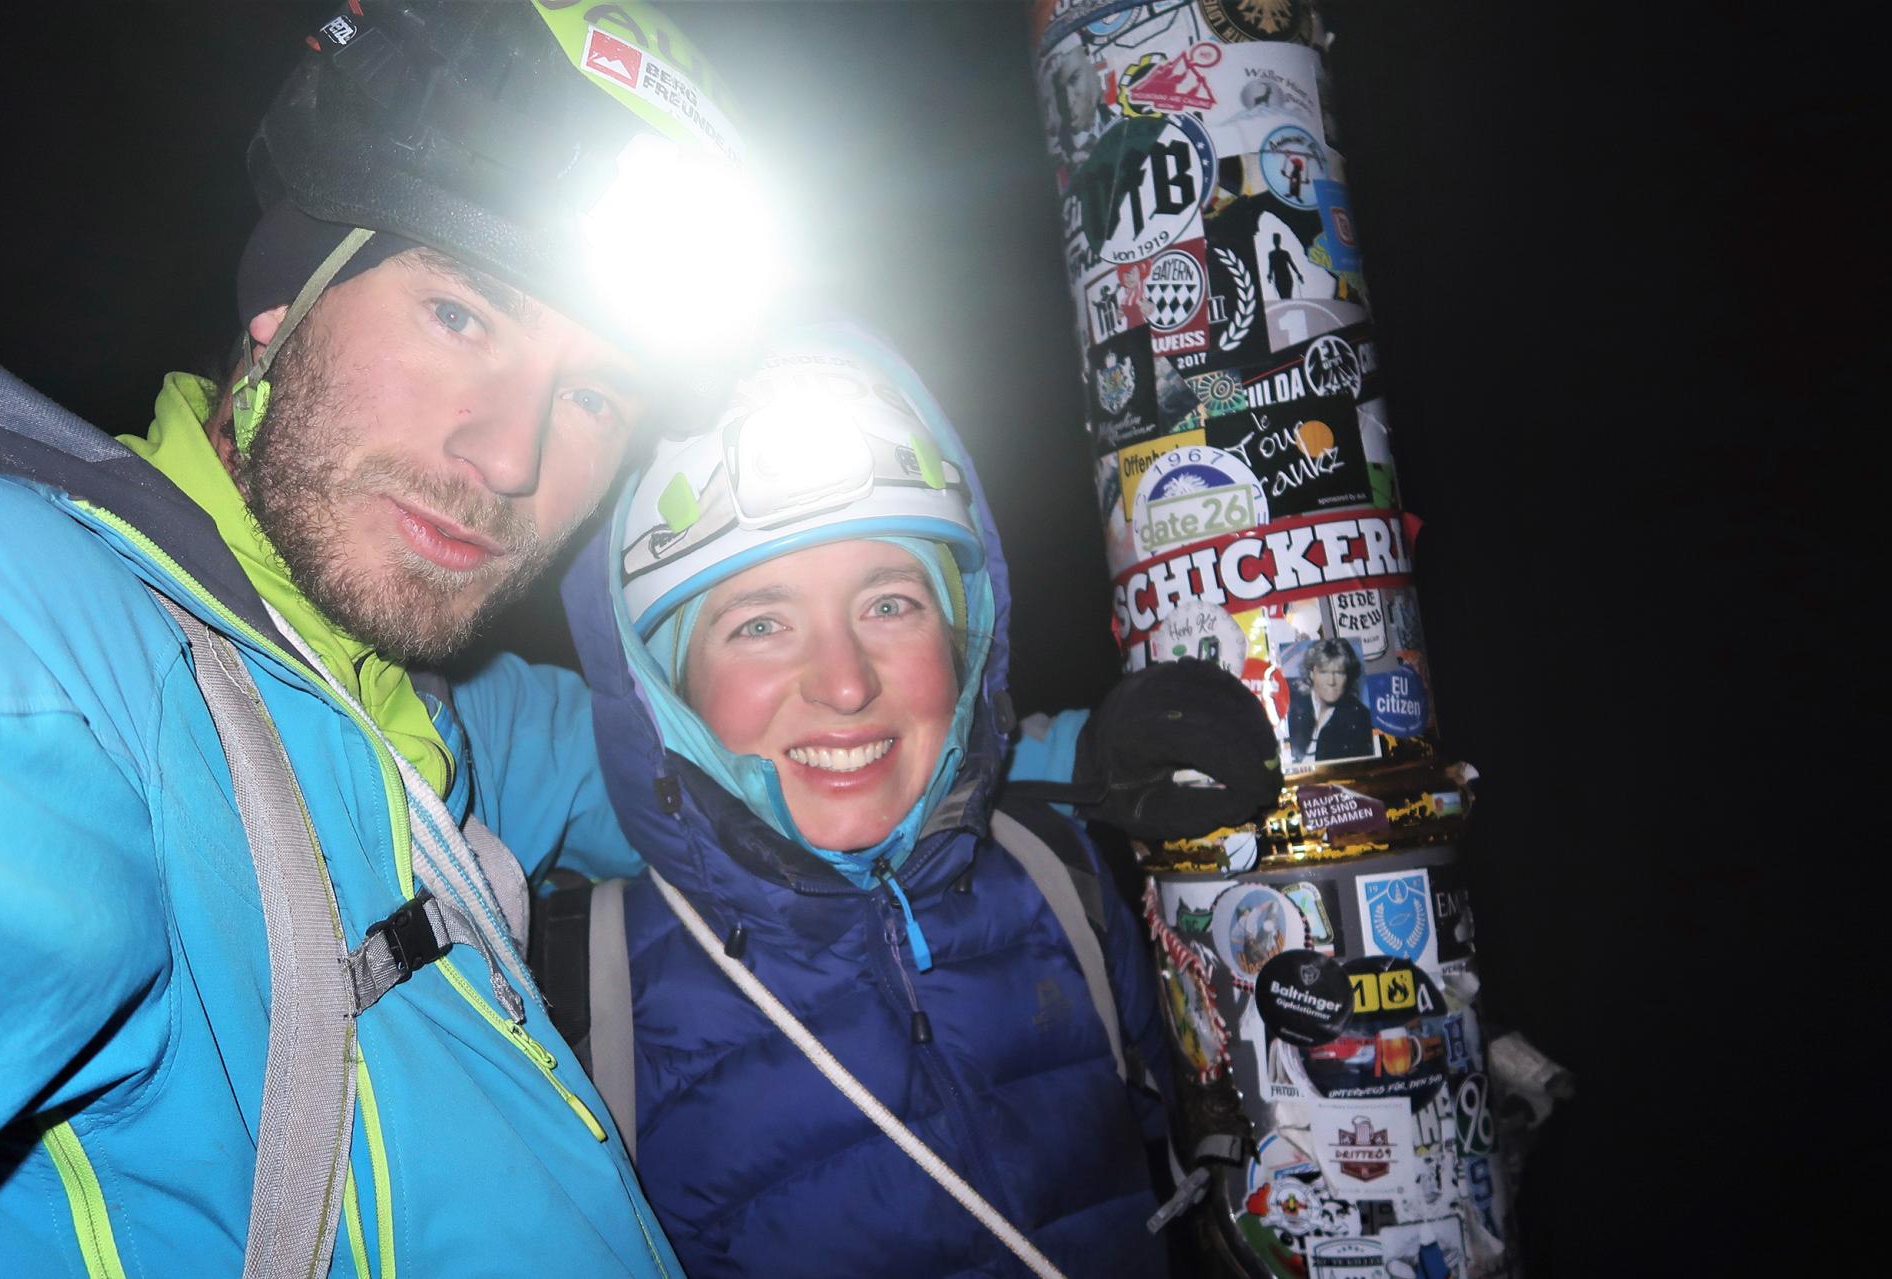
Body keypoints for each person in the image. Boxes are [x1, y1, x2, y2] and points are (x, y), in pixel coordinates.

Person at [0, 3, 766, 1274]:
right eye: (459, 315)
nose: (511, 455)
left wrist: (1075, 747)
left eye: (597, 392)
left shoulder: (418, 720)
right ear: (283, 306)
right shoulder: (48, 642)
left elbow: (742, 742)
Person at [550, 324, 1282, 1278]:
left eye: (890, 603)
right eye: (760, 623)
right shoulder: (581, 1008)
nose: (845, 684)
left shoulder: (1060, 881)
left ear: (965, 637)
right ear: (664, 692)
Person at [1285, 636, 1375, 766]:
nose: (1331, 682)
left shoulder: (1362, 719)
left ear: (1348, 676)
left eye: (1339, 673)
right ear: (1311, 673)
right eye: (1324, 672)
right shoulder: (1289, 696)